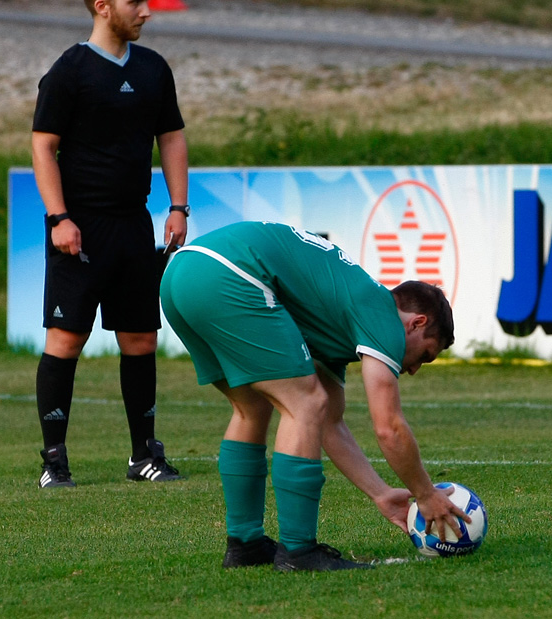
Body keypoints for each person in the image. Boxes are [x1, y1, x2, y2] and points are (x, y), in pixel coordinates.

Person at [159, 221, 466, 572]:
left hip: (181, 274)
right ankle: (299, 552)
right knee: (304, 403)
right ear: (416, 322)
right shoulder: (382, 314)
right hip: (228, 273)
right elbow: (388, 427)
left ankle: (245, 544)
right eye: (425, 355)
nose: (414, 369)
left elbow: (330, 425)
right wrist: (426, 494)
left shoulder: (338, 317)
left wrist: (380, 493)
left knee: (253, 407)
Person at [31, 0, 189, 488]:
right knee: (66, 340)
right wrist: (59, 217)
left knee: (140, 339)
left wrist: (177, 206)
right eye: (135, 2)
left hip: (133, 225)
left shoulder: (152, 69)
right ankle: (55, 461)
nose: (146, 10)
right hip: (80, 228)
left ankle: (144, 454)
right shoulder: (69, 71)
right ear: (103, 7)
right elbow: (43, 146)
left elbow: (171, 137)